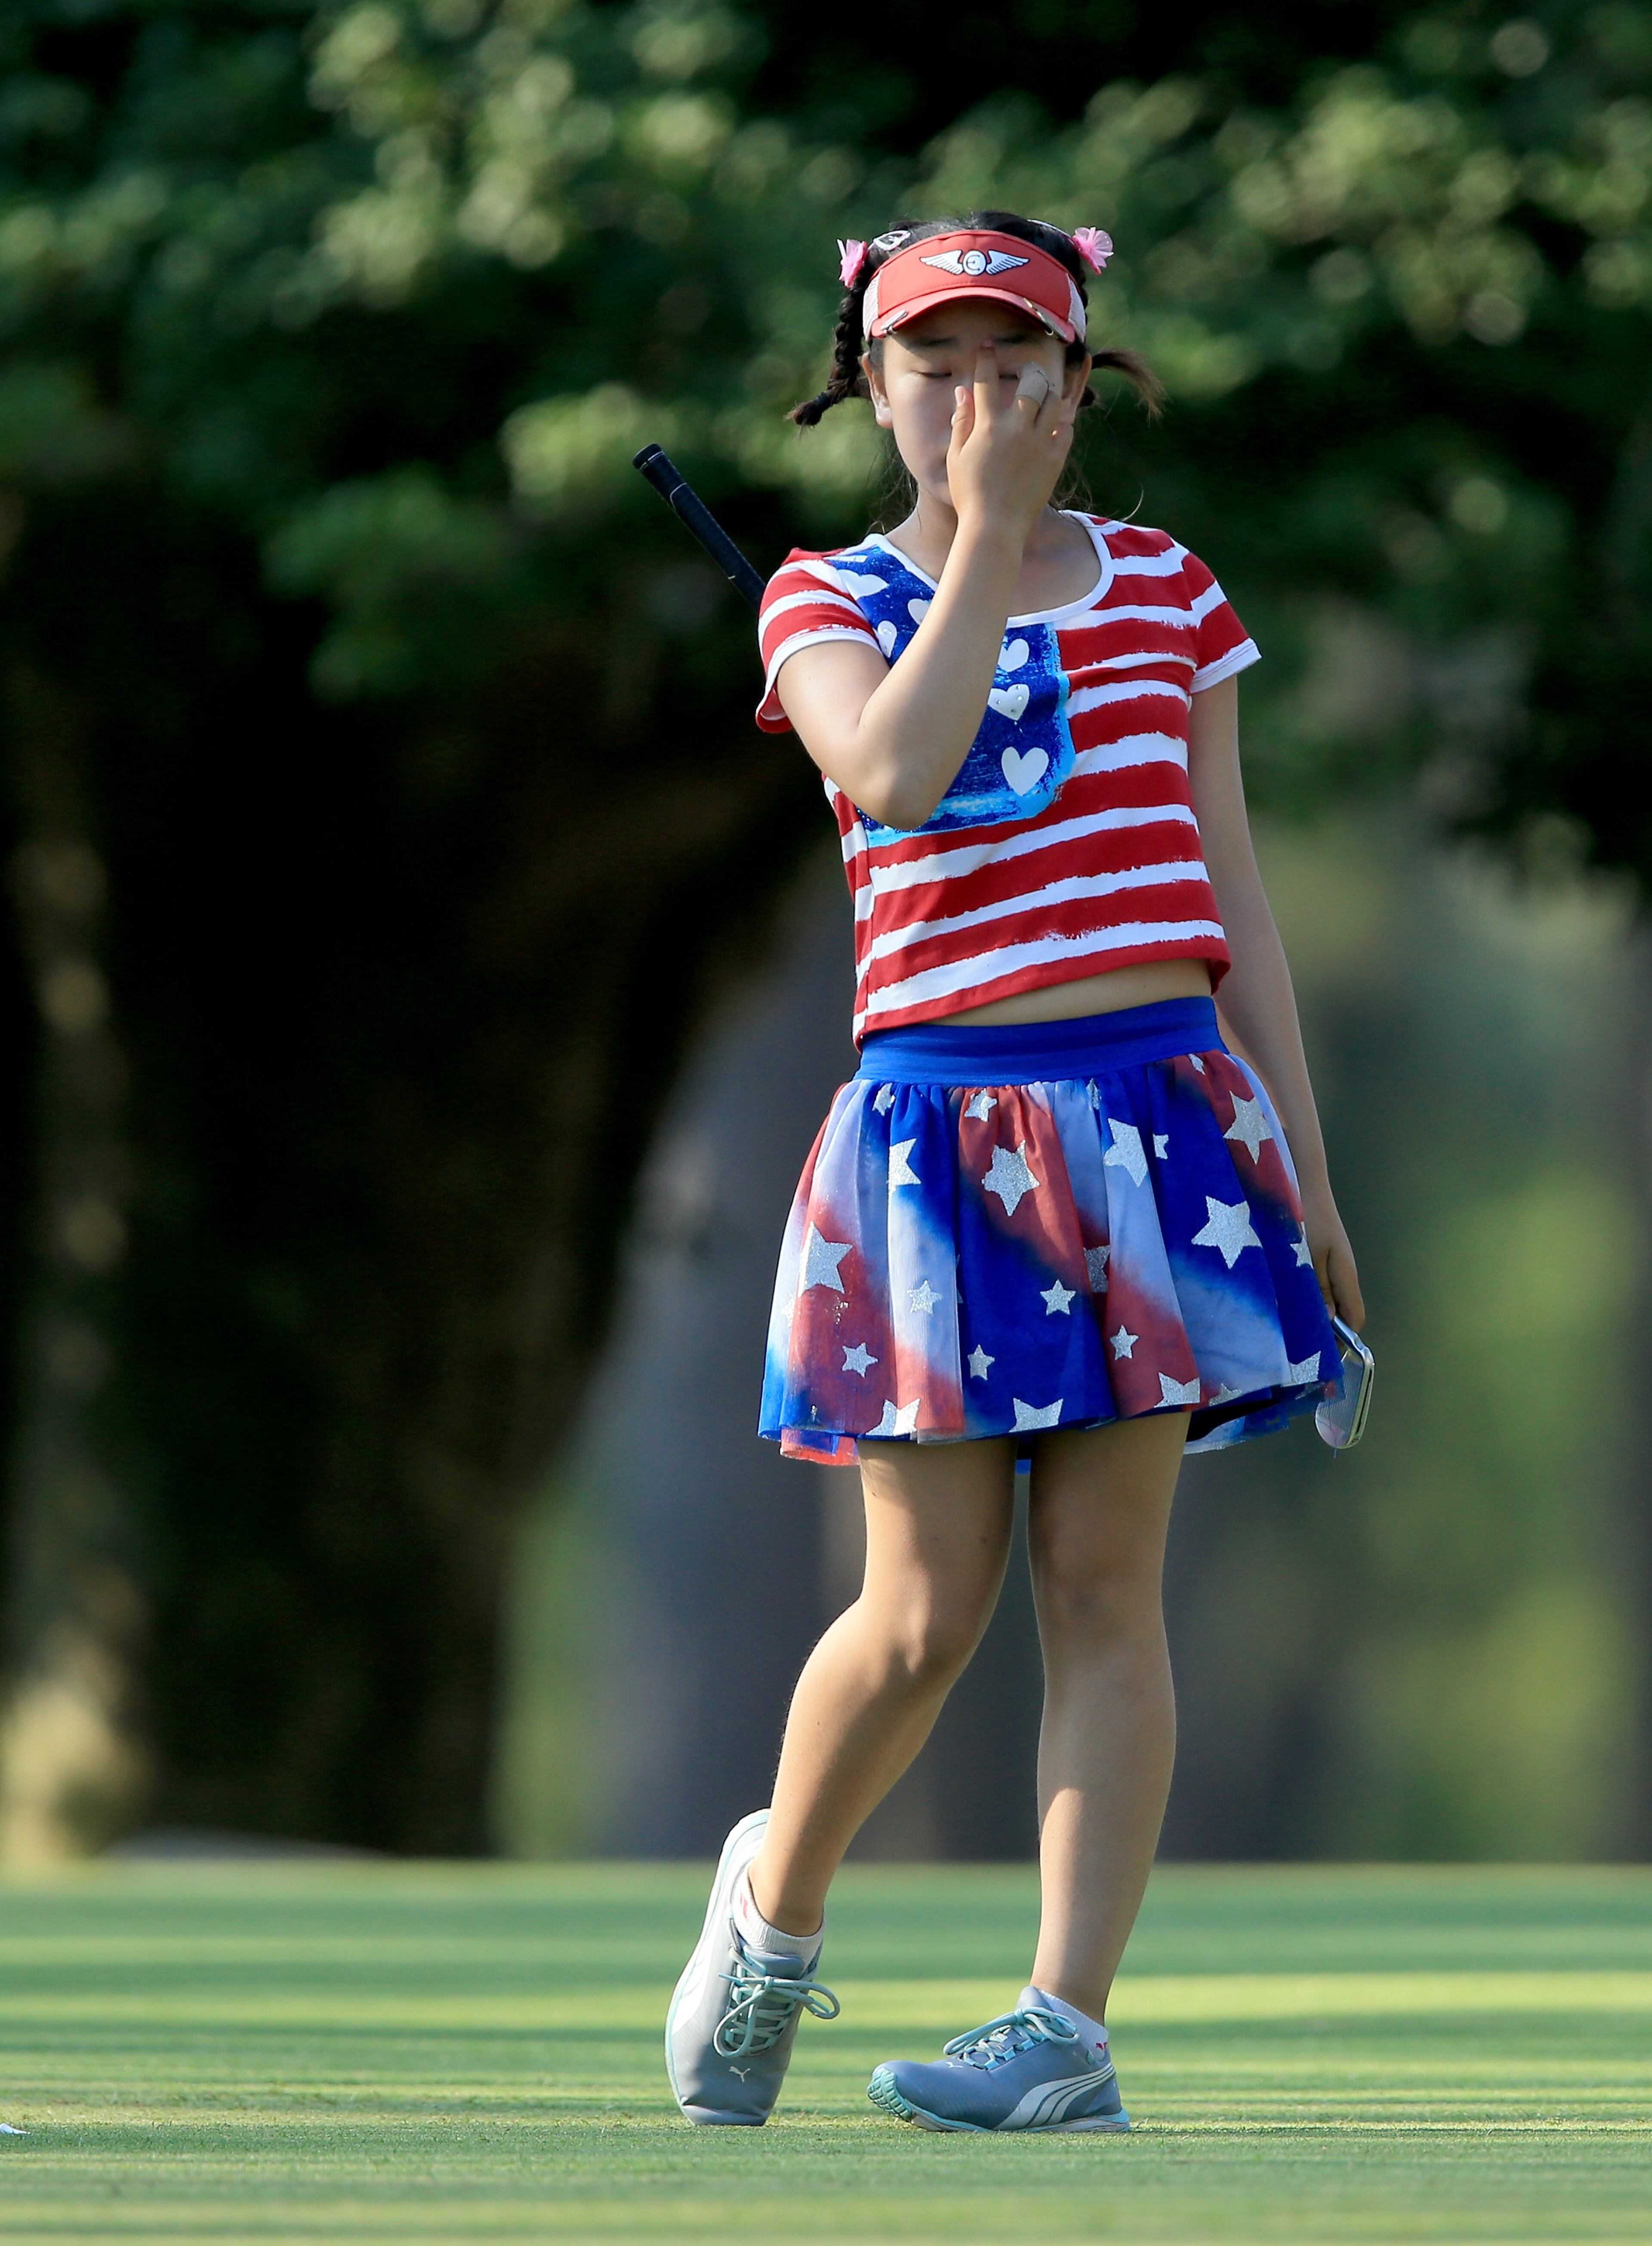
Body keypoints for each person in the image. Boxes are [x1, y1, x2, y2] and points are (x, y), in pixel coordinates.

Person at [665, 211, 1364, 2134]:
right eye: (934, 367)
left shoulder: (1170, 593)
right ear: (870, 388)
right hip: (940, 1138)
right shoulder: (822, 598)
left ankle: (1065, 2026)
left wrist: (1299, 1168)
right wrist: (976, 537)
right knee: (920, 1615)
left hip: (1158, 1125)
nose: (975, 400)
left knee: (1107, 1584)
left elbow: (1232, 888)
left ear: (1079, 382)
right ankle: (774, 1915)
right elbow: (890, 772)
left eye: (1014, 365)